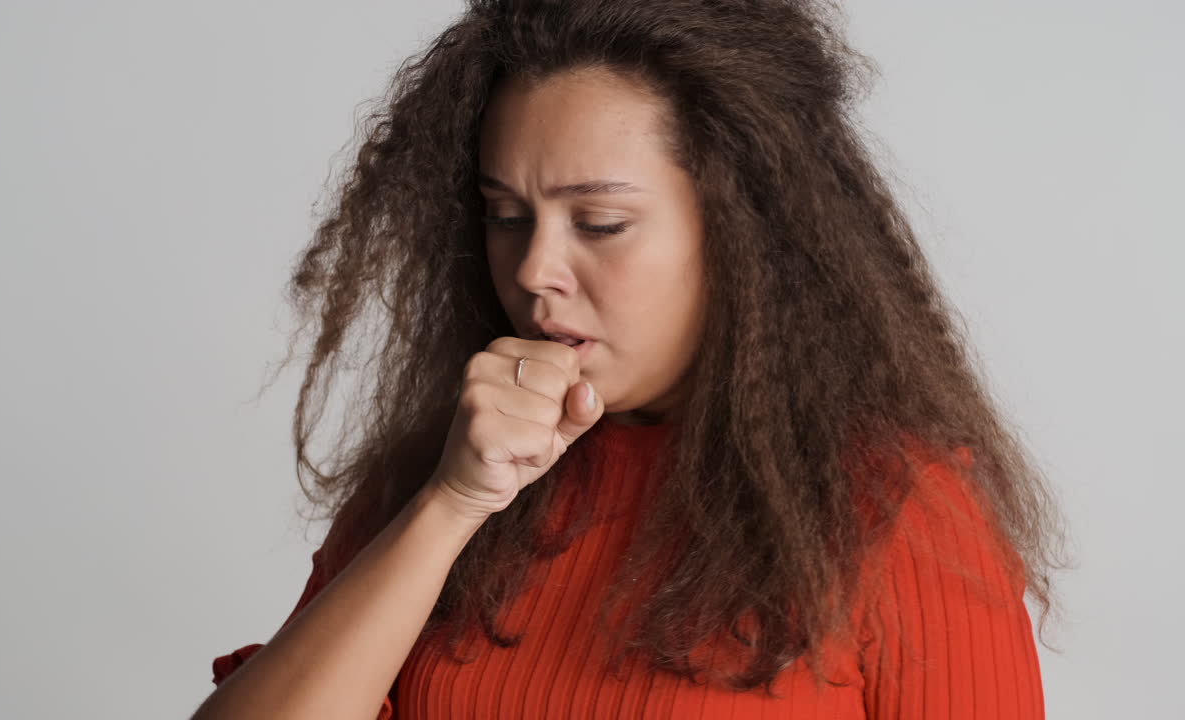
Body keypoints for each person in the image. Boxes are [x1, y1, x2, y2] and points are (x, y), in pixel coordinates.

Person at [191, 1, 1066, 718]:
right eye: (505, 215)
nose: (534, 269)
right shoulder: (438, 475)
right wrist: (454, 504)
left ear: (740, 231)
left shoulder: (897, 503)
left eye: (600, 224)